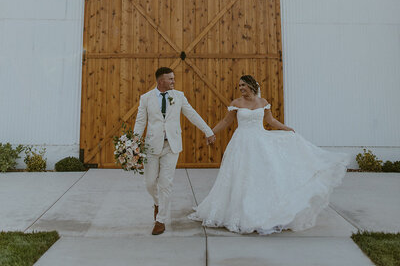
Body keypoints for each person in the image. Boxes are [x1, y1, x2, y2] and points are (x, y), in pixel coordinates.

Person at [189, 74, 349, 235]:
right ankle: (237, 212)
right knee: (239, 176)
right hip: (241, 143)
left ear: (251, 85)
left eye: (243, 85)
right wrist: (210, 133)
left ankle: (263, 211)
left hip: (260, 142)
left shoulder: (263, 103)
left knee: (261, 176)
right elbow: (226, 122)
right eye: (239, 86)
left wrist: (286, 128)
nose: (241, 88)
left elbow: (271, 121)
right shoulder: (236, 103)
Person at [133, 66, 216, 235]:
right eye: (170, 78)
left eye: (173, 78)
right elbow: (140, 122)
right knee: (149, 183)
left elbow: (192, 114)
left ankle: (161, 220)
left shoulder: (179, 96)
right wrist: (134, 143)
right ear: (160, 80)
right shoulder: (146, 98)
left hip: (172, 146)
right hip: (151, 146)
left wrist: (208, 131)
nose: (173, 81)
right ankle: (157, 203)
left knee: (166, 183)